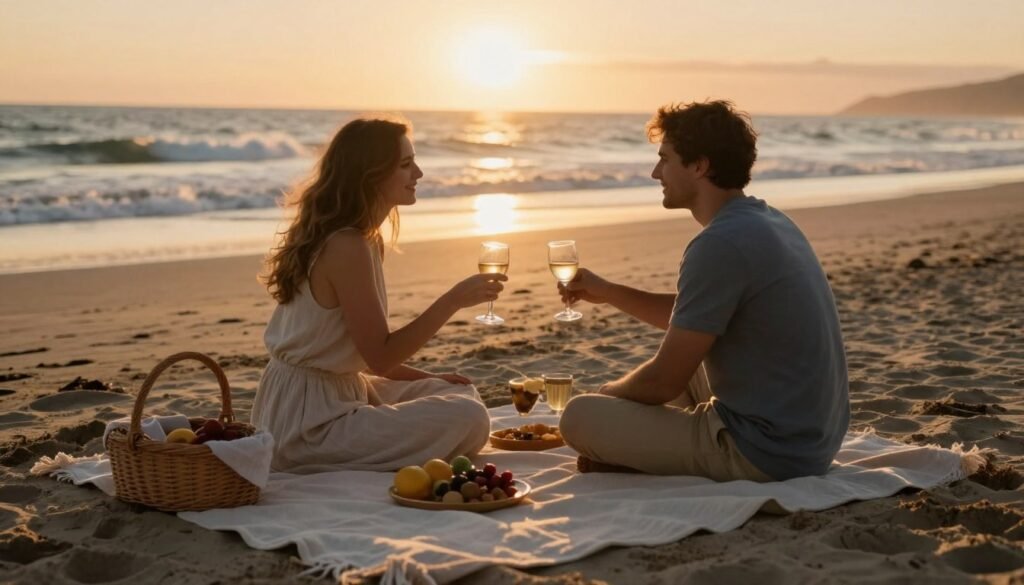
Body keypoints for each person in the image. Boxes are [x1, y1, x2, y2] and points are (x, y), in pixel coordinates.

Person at [558, 100, 849, 482]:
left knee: (579, 416)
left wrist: (609, 393)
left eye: (665, 159)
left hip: (767, 452)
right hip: (812, 437)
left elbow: (663, 383)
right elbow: (695, 316)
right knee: (687, 353)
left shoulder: (719, 243)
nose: (655, 172)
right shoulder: (767, 219)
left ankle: (642, 453)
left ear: (699, 166)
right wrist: (608, 291)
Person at [253, 117, 500, 473]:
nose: (419, 173)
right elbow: (381, 357)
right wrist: (453, 301)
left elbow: (365, 354)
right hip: (307, 422)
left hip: (342, 388)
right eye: (405, 165)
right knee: (469, 416)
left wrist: (429, 379)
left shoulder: (363, 240)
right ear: (370, 175)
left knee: (458, 394)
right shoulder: (345, 246)